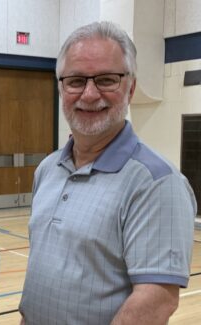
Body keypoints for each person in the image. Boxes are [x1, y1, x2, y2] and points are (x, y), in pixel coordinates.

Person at [19, 21, 196, 324]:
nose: (89, 94)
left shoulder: (157, 183)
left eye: (106, 79)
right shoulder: (48, 170)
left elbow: (155, 301)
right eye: (75, 80)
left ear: (131, 88)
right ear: (61, 88)